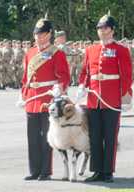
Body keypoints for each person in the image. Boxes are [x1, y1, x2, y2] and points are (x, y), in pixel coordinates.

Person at [78, 13, 133, 183]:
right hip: (94, 99)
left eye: (105, 28)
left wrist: (125, 96)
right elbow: (85, 72)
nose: (102, 31)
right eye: (100, 28)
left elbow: (126, 75)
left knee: (110, 137)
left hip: (111, 99)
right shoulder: (91, 50)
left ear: (112, 30)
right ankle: (97, 171)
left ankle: (108, 171)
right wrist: (82, 85)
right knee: (95, 137)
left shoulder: (121, 50)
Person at [20, 18, 70, 181]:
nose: (38, 37)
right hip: (31, 99)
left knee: (45, 137)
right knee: (32, 137)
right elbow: (25, 78)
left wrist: (59, 89)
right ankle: (34, 170)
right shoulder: (30, 53)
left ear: (49, 34)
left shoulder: (57, 53)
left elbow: (64, 76)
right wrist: (23, 95)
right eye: (36, 34)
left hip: (47, 98)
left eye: (41, 34)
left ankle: (45, 171)